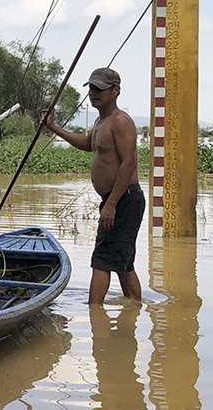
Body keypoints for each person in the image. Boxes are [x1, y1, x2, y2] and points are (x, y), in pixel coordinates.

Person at [42, 67, 143, 304]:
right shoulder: (100, 121)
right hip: (117, 200)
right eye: (92, 89)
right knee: (123, 263)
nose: (94, 93)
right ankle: (134, 310)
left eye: (100, 89)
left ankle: (94, 314)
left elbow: (129, 164)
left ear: (116, 90)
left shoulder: (121, 121)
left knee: (102, 260)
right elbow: (88, 144)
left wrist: (112, 204)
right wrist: (53, 127)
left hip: (124, 199)